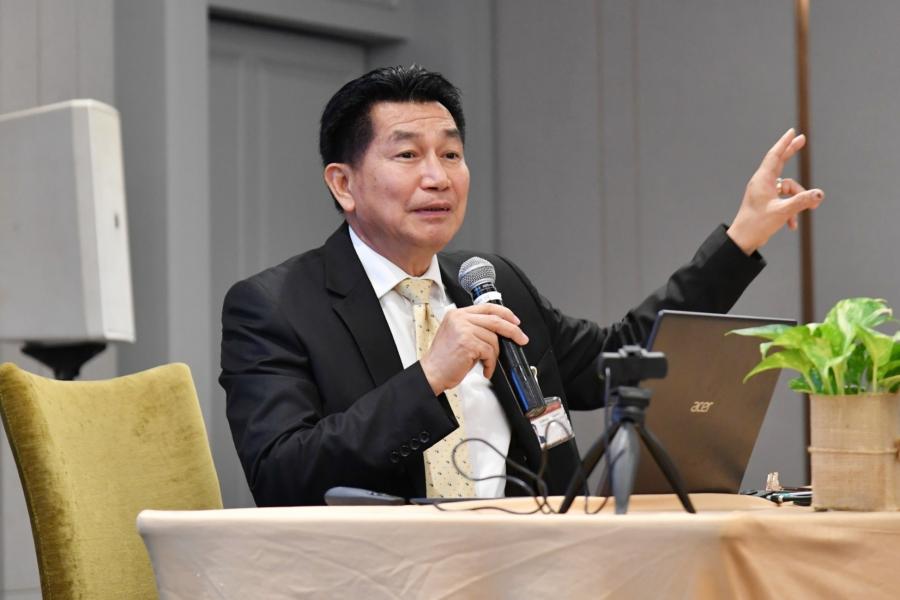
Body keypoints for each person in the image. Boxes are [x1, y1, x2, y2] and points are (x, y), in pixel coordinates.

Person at [220, 65, 824, 507]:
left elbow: (621, 355)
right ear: (343, 184)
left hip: (537, 565)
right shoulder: (274, 307)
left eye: (451, 154)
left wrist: (741, 238)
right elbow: (280, 475)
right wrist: (429, 377)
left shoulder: (490, 282)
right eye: (407, 156)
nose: (438, 177)